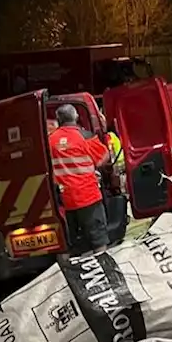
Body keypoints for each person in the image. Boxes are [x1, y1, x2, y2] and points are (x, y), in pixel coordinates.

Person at [49, 103, 111, 255]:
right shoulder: (85, 137)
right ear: (76, 117)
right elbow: (104, 156)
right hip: (89, 196)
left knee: (76, 243)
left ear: (58, 119)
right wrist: (94, 166)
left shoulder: (50, 141)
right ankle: (105, 271)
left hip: (67, 200)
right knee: (99, 240)